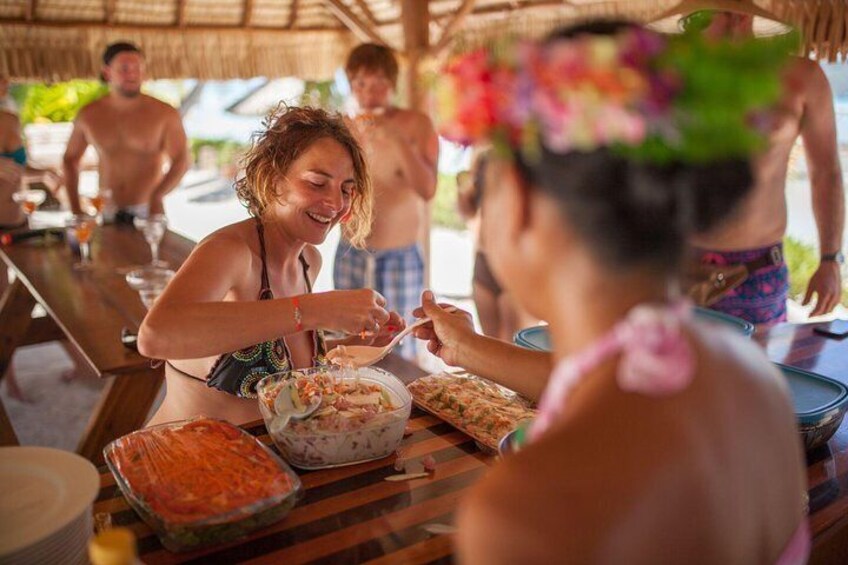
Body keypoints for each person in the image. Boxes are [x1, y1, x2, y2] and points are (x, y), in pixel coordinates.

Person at [417, 22, 807, 562]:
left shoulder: (527, 511)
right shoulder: (753, 380)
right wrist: (463, 347)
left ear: (523, 202)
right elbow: (599, 381)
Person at [137, 106, 404, 426]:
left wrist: (351, 345)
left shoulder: (309, 261)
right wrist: (316, 308)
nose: (335, 204)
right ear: (274, 181)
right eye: (318, 183)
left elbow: (281, 361)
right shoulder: (231, 252)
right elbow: (155, 335)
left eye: (346, 190)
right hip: (180, 458)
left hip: (266, 465)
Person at [687, 9, 845, 327]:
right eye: (717, 11)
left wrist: (830, 259)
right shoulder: (670, 81)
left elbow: (826, 172)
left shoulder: (801, 77)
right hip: (674, 263)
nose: (733, 19)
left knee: (763, 373)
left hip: (758, 270)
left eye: (740, 10)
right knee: (670, 376)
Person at [333, 43, 439, 360]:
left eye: (379, 82)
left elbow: (428, 188)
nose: (370, 93)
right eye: (361, 83)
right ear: (351, 85)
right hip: (352, 251)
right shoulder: (344, 127)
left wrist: (395, 138)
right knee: (348, 344)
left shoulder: (417, 125)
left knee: (398, 346)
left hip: (399, 256)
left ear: (392, 84)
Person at [63, 42, 188, 221]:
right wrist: (76, 210)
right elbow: (70, 159)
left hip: (148, 212)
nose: (132, 74)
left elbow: (181, 160)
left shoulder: (164, 113)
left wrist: (157, 196)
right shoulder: (89, 115)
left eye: (138, 68)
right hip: (106, 212)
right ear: (107, 72)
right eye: (124, 68)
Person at [457, 151, 535, 341]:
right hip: (485, 261)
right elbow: (467, 209)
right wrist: (464, 185)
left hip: (517, 264)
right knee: (491, 343)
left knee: (514, 346)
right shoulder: (485, 160)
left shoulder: (528, 160)